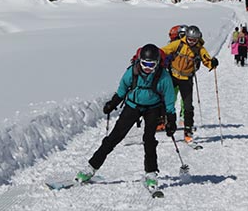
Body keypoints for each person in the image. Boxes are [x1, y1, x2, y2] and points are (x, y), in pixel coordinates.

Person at [76, 44, 177, 191]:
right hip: (133, 106)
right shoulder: (132, 72)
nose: (147, 68)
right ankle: (91, 168)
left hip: (153, 108)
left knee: (149, 140)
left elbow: (169, 100)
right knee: (114, 137)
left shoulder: (164, 77)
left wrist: (171, 120)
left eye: (151, 65)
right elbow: (122, 90)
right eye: (145, 64)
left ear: (157, 63)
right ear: (139, 61)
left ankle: (151, 173)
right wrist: (113, 103)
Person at [161, 25, 218, 142]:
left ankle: (188, 130)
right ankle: (161, 120)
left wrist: (212, 63)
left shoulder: (199, 49)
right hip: (173, 76)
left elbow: (206, 60)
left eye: (194, 40)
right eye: (190, 39)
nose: (191, 42)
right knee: (166, 100)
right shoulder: (179, 44)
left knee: (188, 106)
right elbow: (164, 51)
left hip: (186, 80)